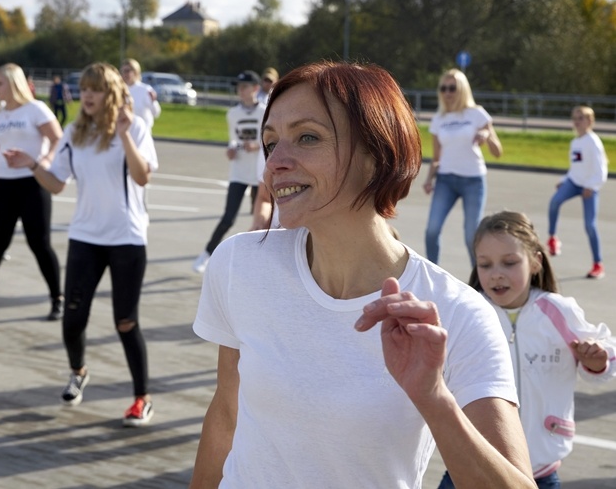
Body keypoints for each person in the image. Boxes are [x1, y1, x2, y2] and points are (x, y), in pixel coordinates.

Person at [189, 62, 536, 488]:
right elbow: (226, 414)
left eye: (307, 137)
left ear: (376, 154)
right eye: (270, 143)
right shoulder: (239, 264)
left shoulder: (456, 314)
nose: (275, 163)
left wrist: (434, 400)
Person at [6, 62, 158, 426]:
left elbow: (142, 176)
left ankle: (142, 399)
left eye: (96, 89)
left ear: (112, 95)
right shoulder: (74, 132)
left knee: (125, 321)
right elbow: (57, 183)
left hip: (126, 237)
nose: (87, 95)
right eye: (84, 89)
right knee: (73, 320)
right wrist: (31, 164)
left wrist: (123, 136)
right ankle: (78, 371)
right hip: (85, 237)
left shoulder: (135, 128)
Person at [437, 210, 616, 489]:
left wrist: (597, 360)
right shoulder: (468, 312)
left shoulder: (557, 311)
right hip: (470, 465)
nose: (496, 274)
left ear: (535, 262)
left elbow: (606, 354)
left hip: (538, 472)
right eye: (485, 264)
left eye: (509, 262)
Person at [0, 63, 63, 321]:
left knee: (40, 243)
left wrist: (44, 162)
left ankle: (57, 296)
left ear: (13, 83)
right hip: (2, 184)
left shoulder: (35, 109)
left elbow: (58, 138)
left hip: (32, 184)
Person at [423, 68, 502, 266]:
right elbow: (437, 156)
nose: (448, 93)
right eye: (444, 88)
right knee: (431, 231)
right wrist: (428, 179)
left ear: (462, 89)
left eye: (452, 88)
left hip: (473, 180)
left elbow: (497, 152)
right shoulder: (439, 119)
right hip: (446, 180)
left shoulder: (476, 114)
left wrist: (487, 136)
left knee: (471, 235)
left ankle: (480, 282)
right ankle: (433, 278)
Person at [192, 70, 266, 273]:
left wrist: (258, 146)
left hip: (259, 175)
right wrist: (232, 149)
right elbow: (234, 138)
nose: (240, 91)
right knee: (228, 218)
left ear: (255, 88)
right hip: (239, 173)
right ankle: (206, 254)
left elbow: (271, 140)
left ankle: (260, 263)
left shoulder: (265, 112)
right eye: (238, 87)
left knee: (259, 220)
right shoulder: (232, 114)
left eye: (245, 87)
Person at [547, 106, 608, 279]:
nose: (577, 121)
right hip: (574, 182)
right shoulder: (575, 142)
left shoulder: (593, 141)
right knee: (555, 201)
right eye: (575, 117)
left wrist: (591, 186)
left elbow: (601, 170)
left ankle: (598, 264)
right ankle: (552, 238)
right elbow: (575, 168)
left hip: (590, 186)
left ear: (589, 121)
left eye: (581, 118)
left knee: (590, 225)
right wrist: (563, 180)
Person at [120, 59, 161, 131]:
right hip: (125, 132)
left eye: (127, 71)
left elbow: (156, 113)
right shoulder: (120, 90)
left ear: (135, 72)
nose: (124, 74)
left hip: (143, 132)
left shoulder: (145, 90)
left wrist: (153, 102)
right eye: (122, 71)